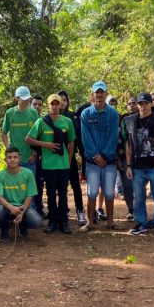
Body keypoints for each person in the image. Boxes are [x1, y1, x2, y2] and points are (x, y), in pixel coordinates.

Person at [121, 93, 154, 236]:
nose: (143, 106)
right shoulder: (130, 121)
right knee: (139, 197)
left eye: (146, 103)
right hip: (138, 166)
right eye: (140, 103)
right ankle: (141, 223)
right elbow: (129, 144)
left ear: (151, 104)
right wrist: (129, 165)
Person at [26, 94, 75, 234]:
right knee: (51, 194)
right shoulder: (41, 122)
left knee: (63, 194)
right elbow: (28, 139)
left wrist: (69, 160)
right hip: (48, 164)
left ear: (60, 105)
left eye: (57, 103)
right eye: (52, 104)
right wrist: (45, 144)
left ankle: (63, 221)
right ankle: (52, 221)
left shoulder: (67, 121)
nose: (54, 106)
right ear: (48, 105)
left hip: (63, 164)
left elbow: (71, 142)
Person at [79, 81, 120, 232]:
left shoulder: (113, 114)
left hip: (109, 162)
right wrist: (96, 156)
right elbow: (86, 138)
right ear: (93, 95)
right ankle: (89, 222)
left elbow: (114, 137)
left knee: (109, 192)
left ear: (106, 94)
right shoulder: (86, 114)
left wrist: (104, 155)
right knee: (92, 192)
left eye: (102, 92)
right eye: (97, 92)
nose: (99, 94)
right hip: (92, 162)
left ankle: (110, 222)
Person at [0, 147, 43, 241]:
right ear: (5, 160)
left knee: (36, 221)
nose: (12, 159)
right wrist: (11, 207)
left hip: (23, 207)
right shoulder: (0, 175)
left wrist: (22, 212)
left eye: (15, 157)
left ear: (19, 159)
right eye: (9, 157)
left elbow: (29, 196)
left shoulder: (28, 173)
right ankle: (5, 227)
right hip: (7, 208)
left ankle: (22, 224)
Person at [58, 90, 86, 225]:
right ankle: (63, 211)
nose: (62, 102)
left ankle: (80, 210)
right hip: (56, 158)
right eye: (60, 100)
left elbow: (78, 139)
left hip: (70, 156)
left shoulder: (73, 117)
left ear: (68, 102)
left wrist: (82, 155)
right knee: (61, 186)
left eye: (64, 100)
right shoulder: (51, 117)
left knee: (75, 185)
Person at [2, 86, 39, 173]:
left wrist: (34, 154)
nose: (27, 101)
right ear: (17, 98)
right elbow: (4, 133)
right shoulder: (10, 113)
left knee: (29, 184)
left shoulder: (33, 113)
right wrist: (8, 151)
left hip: (29, 159)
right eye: (24, 99)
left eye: (28, 98)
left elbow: (38, 134)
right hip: (14, 159)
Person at [114, 97, 137, 219]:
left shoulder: (144, 118)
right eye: (129, 104)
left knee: (139, 185)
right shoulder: (122, 119)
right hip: (123, 157)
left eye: (134, 103)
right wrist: (117, 159)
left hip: (140, 158)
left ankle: (139, 209)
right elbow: (117, 139)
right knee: (126, 185)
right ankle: (131, 209)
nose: (132, 105)